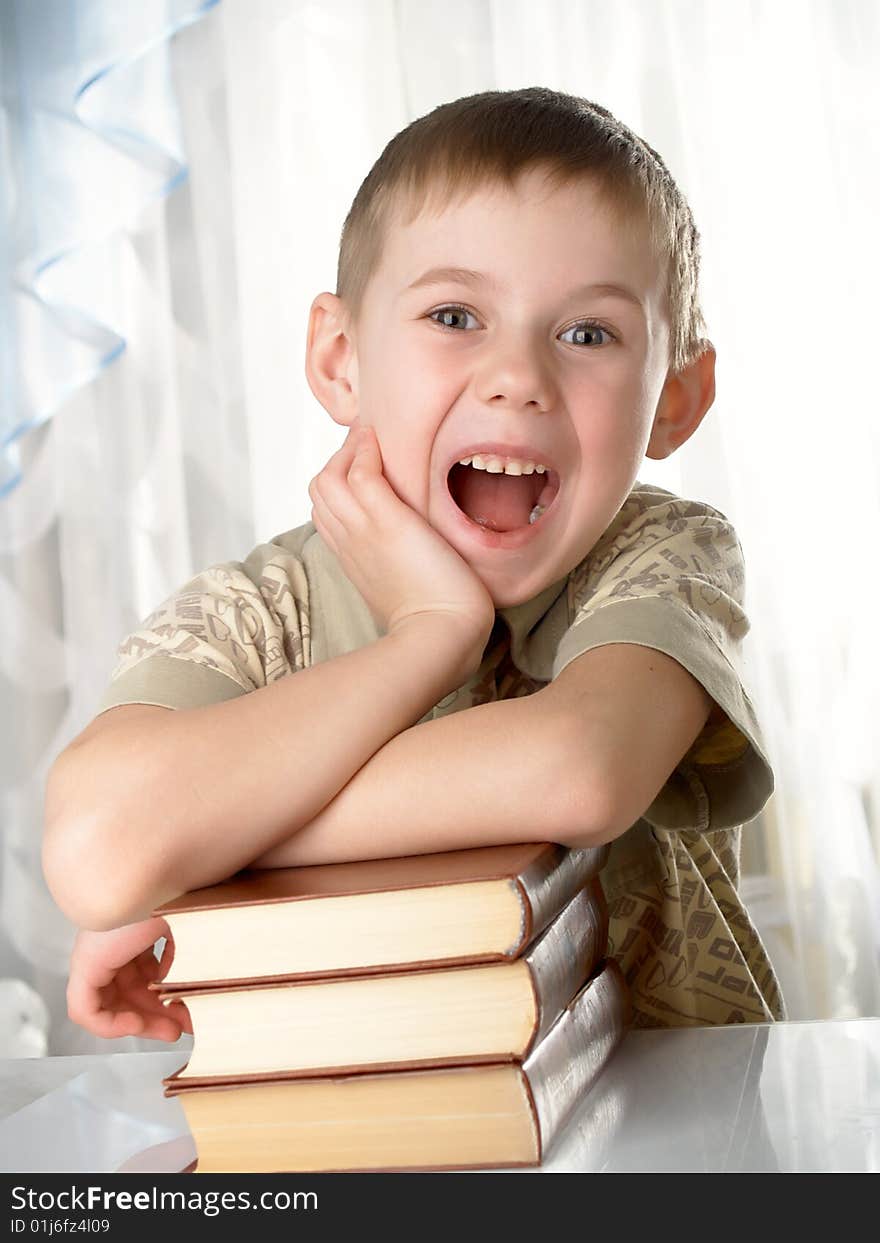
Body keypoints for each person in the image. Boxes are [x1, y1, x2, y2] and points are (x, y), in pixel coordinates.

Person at [42, 87, 785, 1044]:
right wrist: (429, 637)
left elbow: (580, 768)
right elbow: (101, 844)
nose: (519, 376)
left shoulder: (662, 555)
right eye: (453, 315)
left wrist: (203, 848)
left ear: (676, 398)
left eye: (589, 333)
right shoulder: (251, 616)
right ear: (342, 357)